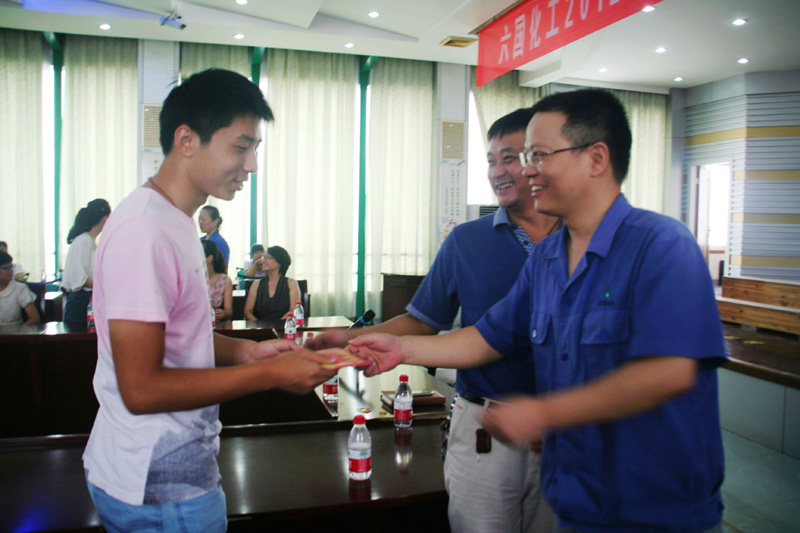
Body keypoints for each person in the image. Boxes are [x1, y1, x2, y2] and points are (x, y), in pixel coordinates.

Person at [348, 88, 727, 533]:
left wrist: (546, 413)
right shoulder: (547, 259)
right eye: (524, 156)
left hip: (652, 505)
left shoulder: (661, 245)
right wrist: (401, 348)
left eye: (538, 155)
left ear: (596, 158)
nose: (527, 170)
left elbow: (671, 372)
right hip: (574, 496)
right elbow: (488, 337)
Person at [82, 68, 336, 532]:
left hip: (171, 474)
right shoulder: (143, 230)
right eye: (241, 147)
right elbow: (142, 389)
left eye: (255, 149)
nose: (252, 165)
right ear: (186, 140)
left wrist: (247, 353)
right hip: (159, 485)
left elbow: (180, 336)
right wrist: (269, 374)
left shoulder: (176, 220)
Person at [306, 108, 558, 532]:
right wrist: (354, 337)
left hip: (564, 429)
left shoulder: (580, 239)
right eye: (491, 160)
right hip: (485, 428)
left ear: (541, 159)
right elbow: (424, 321)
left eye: (510, 158)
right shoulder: (467, 240)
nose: (497, 171)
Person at [61, 199, 111, 326]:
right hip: (80, 303)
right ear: (104, 218)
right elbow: (80, 279)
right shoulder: (83, 241)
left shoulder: (90, 242)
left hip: (89, 300)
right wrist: (108, 286)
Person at [243, 245, 300, 323]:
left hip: (284, 326)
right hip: (260, 327)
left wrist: (276, 326)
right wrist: (259, 325)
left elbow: (293, 310)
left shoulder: (291, 283)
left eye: (268, 257)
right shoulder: (256, 284)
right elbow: (247, 311)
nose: (263, 261)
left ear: (280, 262)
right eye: (264, 257)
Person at [0, 250, 40, 325]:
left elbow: (34, 318)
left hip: (15, 330)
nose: (11, 270)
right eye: (6, 268)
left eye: (11, 267)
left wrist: (19, 330)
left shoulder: (19, 288)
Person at [203, 240, 233, 323]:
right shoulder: (192, 279)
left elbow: (229, 312)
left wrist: (223, 313)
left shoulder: (225, 281)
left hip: (216, 324)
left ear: (209, 259)